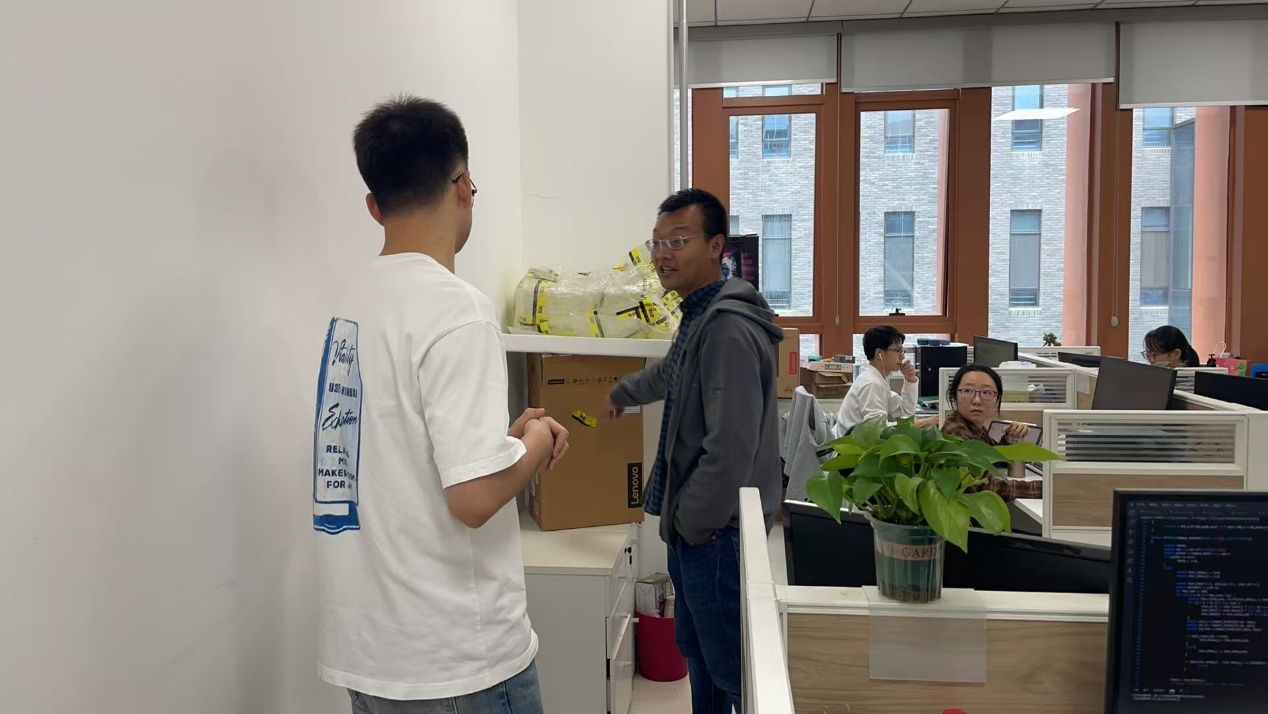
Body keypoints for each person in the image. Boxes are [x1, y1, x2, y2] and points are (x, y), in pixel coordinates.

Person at [313, 96, 569, 714]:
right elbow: (473, 500)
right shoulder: (458, 310)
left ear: (374, 206)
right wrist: (536, 443)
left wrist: (500, 444)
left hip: (371, 657)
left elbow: (398, 453)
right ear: (463, 188)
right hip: (457, 662)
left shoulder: (351, 306)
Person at [604, 188, 783, 714]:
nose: (663, 254)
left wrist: (692, 523)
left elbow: (729, 449)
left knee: (730, 673)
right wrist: (623, 392)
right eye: (657, 242)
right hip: (700, 532)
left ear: (716, 246)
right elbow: (671, 372)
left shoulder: (727, 328)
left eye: (678, 241)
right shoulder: (700, 315)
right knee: (702, 661)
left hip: (716, 534)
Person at [940, 364, 1041, 501]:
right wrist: (1046, 487)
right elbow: (986, 485)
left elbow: (990, 457)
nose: (977, 401)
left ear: (997, 400)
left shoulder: (973, 427)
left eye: (987, 393)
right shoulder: (956, 431)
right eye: (967, 391)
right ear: (954, 396)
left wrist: (1011, 439)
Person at [837, 326, 936, 431]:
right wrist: (922, 423)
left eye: (902, 351)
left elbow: (905, 412)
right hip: (851, 441)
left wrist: (910, 381)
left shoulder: (878, 380)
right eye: (898, 350)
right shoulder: (872, 383)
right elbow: (877, 429)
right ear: (879, 354)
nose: (902, 356)